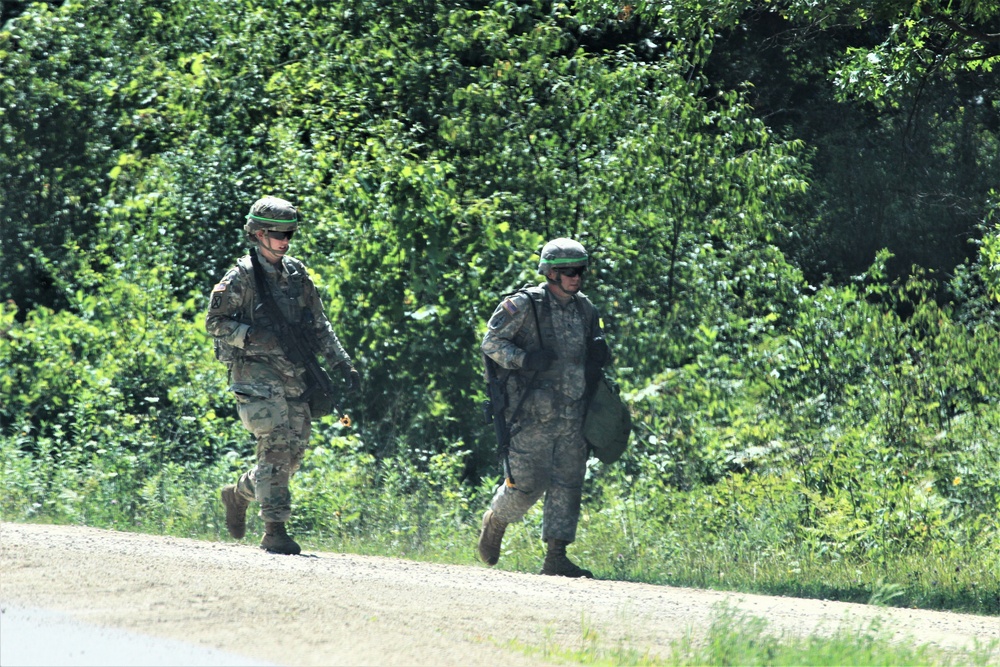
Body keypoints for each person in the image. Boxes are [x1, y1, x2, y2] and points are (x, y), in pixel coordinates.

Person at [206, 196, 360, 555]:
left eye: (289, 234)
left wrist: (342, 363)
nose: (285, 241)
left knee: (291, 457)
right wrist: (253, 336)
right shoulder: (242, 276)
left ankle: (239, 493)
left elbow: (320, 324)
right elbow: (214, 322)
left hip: (294, 371)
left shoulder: (296, 274)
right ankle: (274, 529)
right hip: (255, 370)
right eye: (278, 234)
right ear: (258, 233)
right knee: (275, 443)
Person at [477, 238, 611, 577]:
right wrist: (524, 359)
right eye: (569, 271)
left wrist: (599, 355)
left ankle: (556, 558)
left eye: (580, 271)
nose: (576, 277)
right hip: (529, 414)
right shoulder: (524, 305)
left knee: (568, 484)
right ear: (550, 273)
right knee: (526, 486)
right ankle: (497, 519)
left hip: (572, 413)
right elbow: (491, 343)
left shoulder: (585, 309)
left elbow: (590, 352)